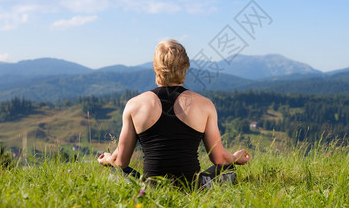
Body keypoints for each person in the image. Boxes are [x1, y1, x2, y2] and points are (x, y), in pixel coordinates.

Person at [97, 39, 251, 188]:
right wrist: (234, 157)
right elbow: (219, 159)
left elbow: (121, 162)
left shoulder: (134, 105)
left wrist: (109, 159)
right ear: (185, 67)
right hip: (193, 186)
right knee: (228, 168)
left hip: (150, 187)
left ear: (155, 68)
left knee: (116, 171)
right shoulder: (205, 105)